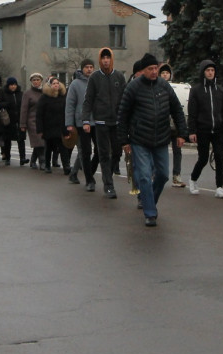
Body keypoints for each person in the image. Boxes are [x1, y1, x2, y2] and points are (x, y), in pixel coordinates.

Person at [117, 53, 187, 227]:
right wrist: (124, 140)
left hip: (161, 138)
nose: (155, 71)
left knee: (163, 175)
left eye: (156, 68)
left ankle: (150, 201)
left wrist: (181, 133)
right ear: (144, 70)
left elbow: (177, 110)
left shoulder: (164, 86)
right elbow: (123, 114)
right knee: (145, 177)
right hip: (139, 139)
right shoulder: (133, 87)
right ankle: (150, 213)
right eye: (151, 69)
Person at [83, 47, 127, 197]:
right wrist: (85, 120)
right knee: (103, 154)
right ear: (100, 60)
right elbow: (88, 100)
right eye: (103, 58)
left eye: (108, 58)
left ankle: (109, 172)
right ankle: (109, 185)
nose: (106, 61)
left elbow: (125, 99)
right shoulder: (95, 77)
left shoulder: (119, 77)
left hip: (116, 121)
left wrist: (125, 118)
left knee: (116, 152)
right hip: (101, 122)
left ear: (112, 59)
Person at [187, 59, 223, 197]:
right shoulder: (196, 90)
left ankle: (219, 186)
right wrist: (192, 131)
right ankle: (193, 179)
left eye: (212, 70)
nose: (210, 73)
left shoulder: (220, 90)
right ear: (203, 72)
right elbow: (192, 112)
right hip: (203, 129)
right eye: (208, 70)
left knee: (219, 157)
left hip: (218, 129)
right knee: (203, 158)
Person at [65, 60, 96, 185]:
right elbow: (70, 105)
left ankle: (76, 172)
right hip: (81, 122)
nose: (89, 69)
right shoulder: (75, 84)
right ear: (82, 68)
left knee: (96, 150)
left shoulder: (96, 81)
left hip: (96, 121)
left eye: (91, 67)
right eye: (87, 67)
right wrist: (69, 124)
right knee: (84, 150)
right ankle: (84, 176)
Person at [158, 64, 186, 186]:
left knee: (177, 151)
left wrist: (182, 130)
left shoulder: (175, 88)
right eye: (163, 73)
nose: (165, 75)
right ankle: (156, 173)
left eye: (167, 73)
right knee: (159, 151)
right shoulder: (156, 87)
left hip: (174, 126)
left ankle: (176, 175)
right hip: (162, 126)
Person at [37, 76, 68, 174]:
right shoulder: (44, 97)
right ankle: (47, 165)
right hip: (48, 126)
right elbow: (39, 114)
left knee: (63, 147)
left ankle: (66, 166)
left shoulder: (63, 96)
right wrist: (40, 129)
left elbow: (67, 111)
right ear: (50, 85)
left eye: (57, 83)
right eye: (54, 83)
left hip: (61, 126)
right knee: (49, 147)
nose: (56, 85)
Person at [20, 73, 45, 171]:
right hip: (32, 121)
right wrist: (23, 124)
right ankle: (42, 161)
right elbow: (24, 109)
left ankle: (33, 160)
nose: (36, 82)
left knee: (39, 142)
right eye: (34, 80)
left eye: (38, 80)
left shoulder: (45, 92)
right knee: (39, 141)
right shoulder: (27, 93)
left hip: (43, 121)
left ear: (41, 81)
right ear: (31, 82)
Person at [2, 77, 25, 165]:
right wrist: (5, 104)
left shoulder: (20, 94)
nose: (13, 87)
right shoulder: (4, 94)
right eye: (11, 85)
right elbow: (1, 103)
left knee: (21, 139)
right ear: (8, 85)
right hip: (8, 119)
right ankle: (7, 157)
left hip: (19, 119)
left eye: (14, 85)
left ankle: (22, 158)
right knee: (7, 140)